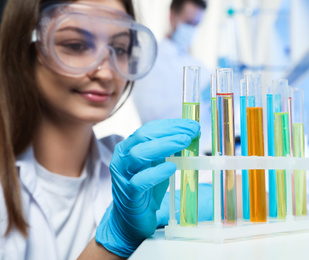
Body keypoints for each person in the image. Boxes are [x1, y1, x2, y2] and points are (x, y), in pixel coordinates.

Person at [0, 0, 210, 259]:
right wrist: (116, 239)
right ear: (27, 47)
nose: (106, 72)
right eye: (76, 45)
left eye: (120, 48)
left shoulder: (132, 174)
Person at [131, 0, 212, 155]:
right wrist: (201, 100)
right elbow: (154, 116)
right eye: (188, 22)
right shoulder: (151, 59)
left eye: (196, 24)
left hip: (199, 154)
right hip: (163, 155)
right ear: (172, 16)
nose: (192, 29)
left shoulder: (197, 64)